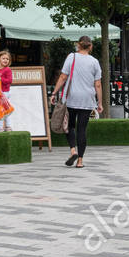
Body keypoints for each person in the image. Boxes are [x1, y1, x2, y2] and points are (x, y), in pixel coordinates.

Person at [53, 36, 103, 169]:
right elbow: (97, 84)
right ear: (90, 46)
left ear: (78, 45)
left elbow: (63, 77)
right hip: (87, 99)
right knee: (82, 130)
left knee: (69, 126)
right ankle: (80, 161)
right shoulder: (95, 62)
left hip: (71, 98)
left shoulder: (71, 57)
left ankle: (73, 151)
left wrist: (54, 92)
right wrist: (100, 103)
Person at [0, 50, 15, 132]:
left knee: (2, 109)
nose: (5, 60)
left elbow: (9, 80)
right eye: (3, 58)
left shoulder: (7, 70)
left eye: (7, 59)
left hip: (5, 92)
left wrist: (0, 78)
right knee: (3, 109)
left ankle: (2, 127)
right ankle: (6, 126)